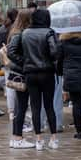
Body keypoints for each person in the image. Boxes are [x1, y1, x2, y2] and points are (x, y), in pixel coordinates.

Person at [12, 9, 59, 151]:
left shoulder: (25, 33)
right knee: (49, 105)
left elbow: (11, 51)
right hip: (47, 73)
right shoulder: (49, 32)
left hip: (30, 73)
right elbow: (55, 52)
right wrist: (50, 61)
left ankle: (38, 139)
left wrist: (25, 61)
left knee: (35, 107)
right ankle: (53, 138)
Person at [7, 10, 35, 148]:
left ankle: (16, 137)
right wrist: (25, 61)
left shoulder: (17, 32)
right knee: (21, 107)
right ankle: (17, 137)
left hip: (20, 72)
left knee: (21, 106)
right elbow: (11, 52)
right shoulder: (19, 34)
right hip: (21, 73)